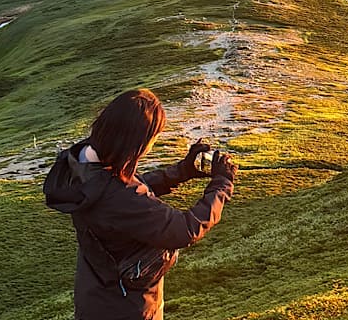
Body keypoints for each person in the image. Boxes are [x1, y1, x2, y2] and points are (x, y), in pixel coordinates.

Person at [43, 88, 237, 320]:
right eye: (152, 138)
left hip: (95, 297)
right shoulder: (120, 197)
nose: (152, 145)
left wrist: (180, 172)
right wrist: (222, 183)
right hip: (128, 309)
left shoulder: (80, 162)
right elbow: (185, 229)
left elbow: (121, 189)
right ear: (134, 142)